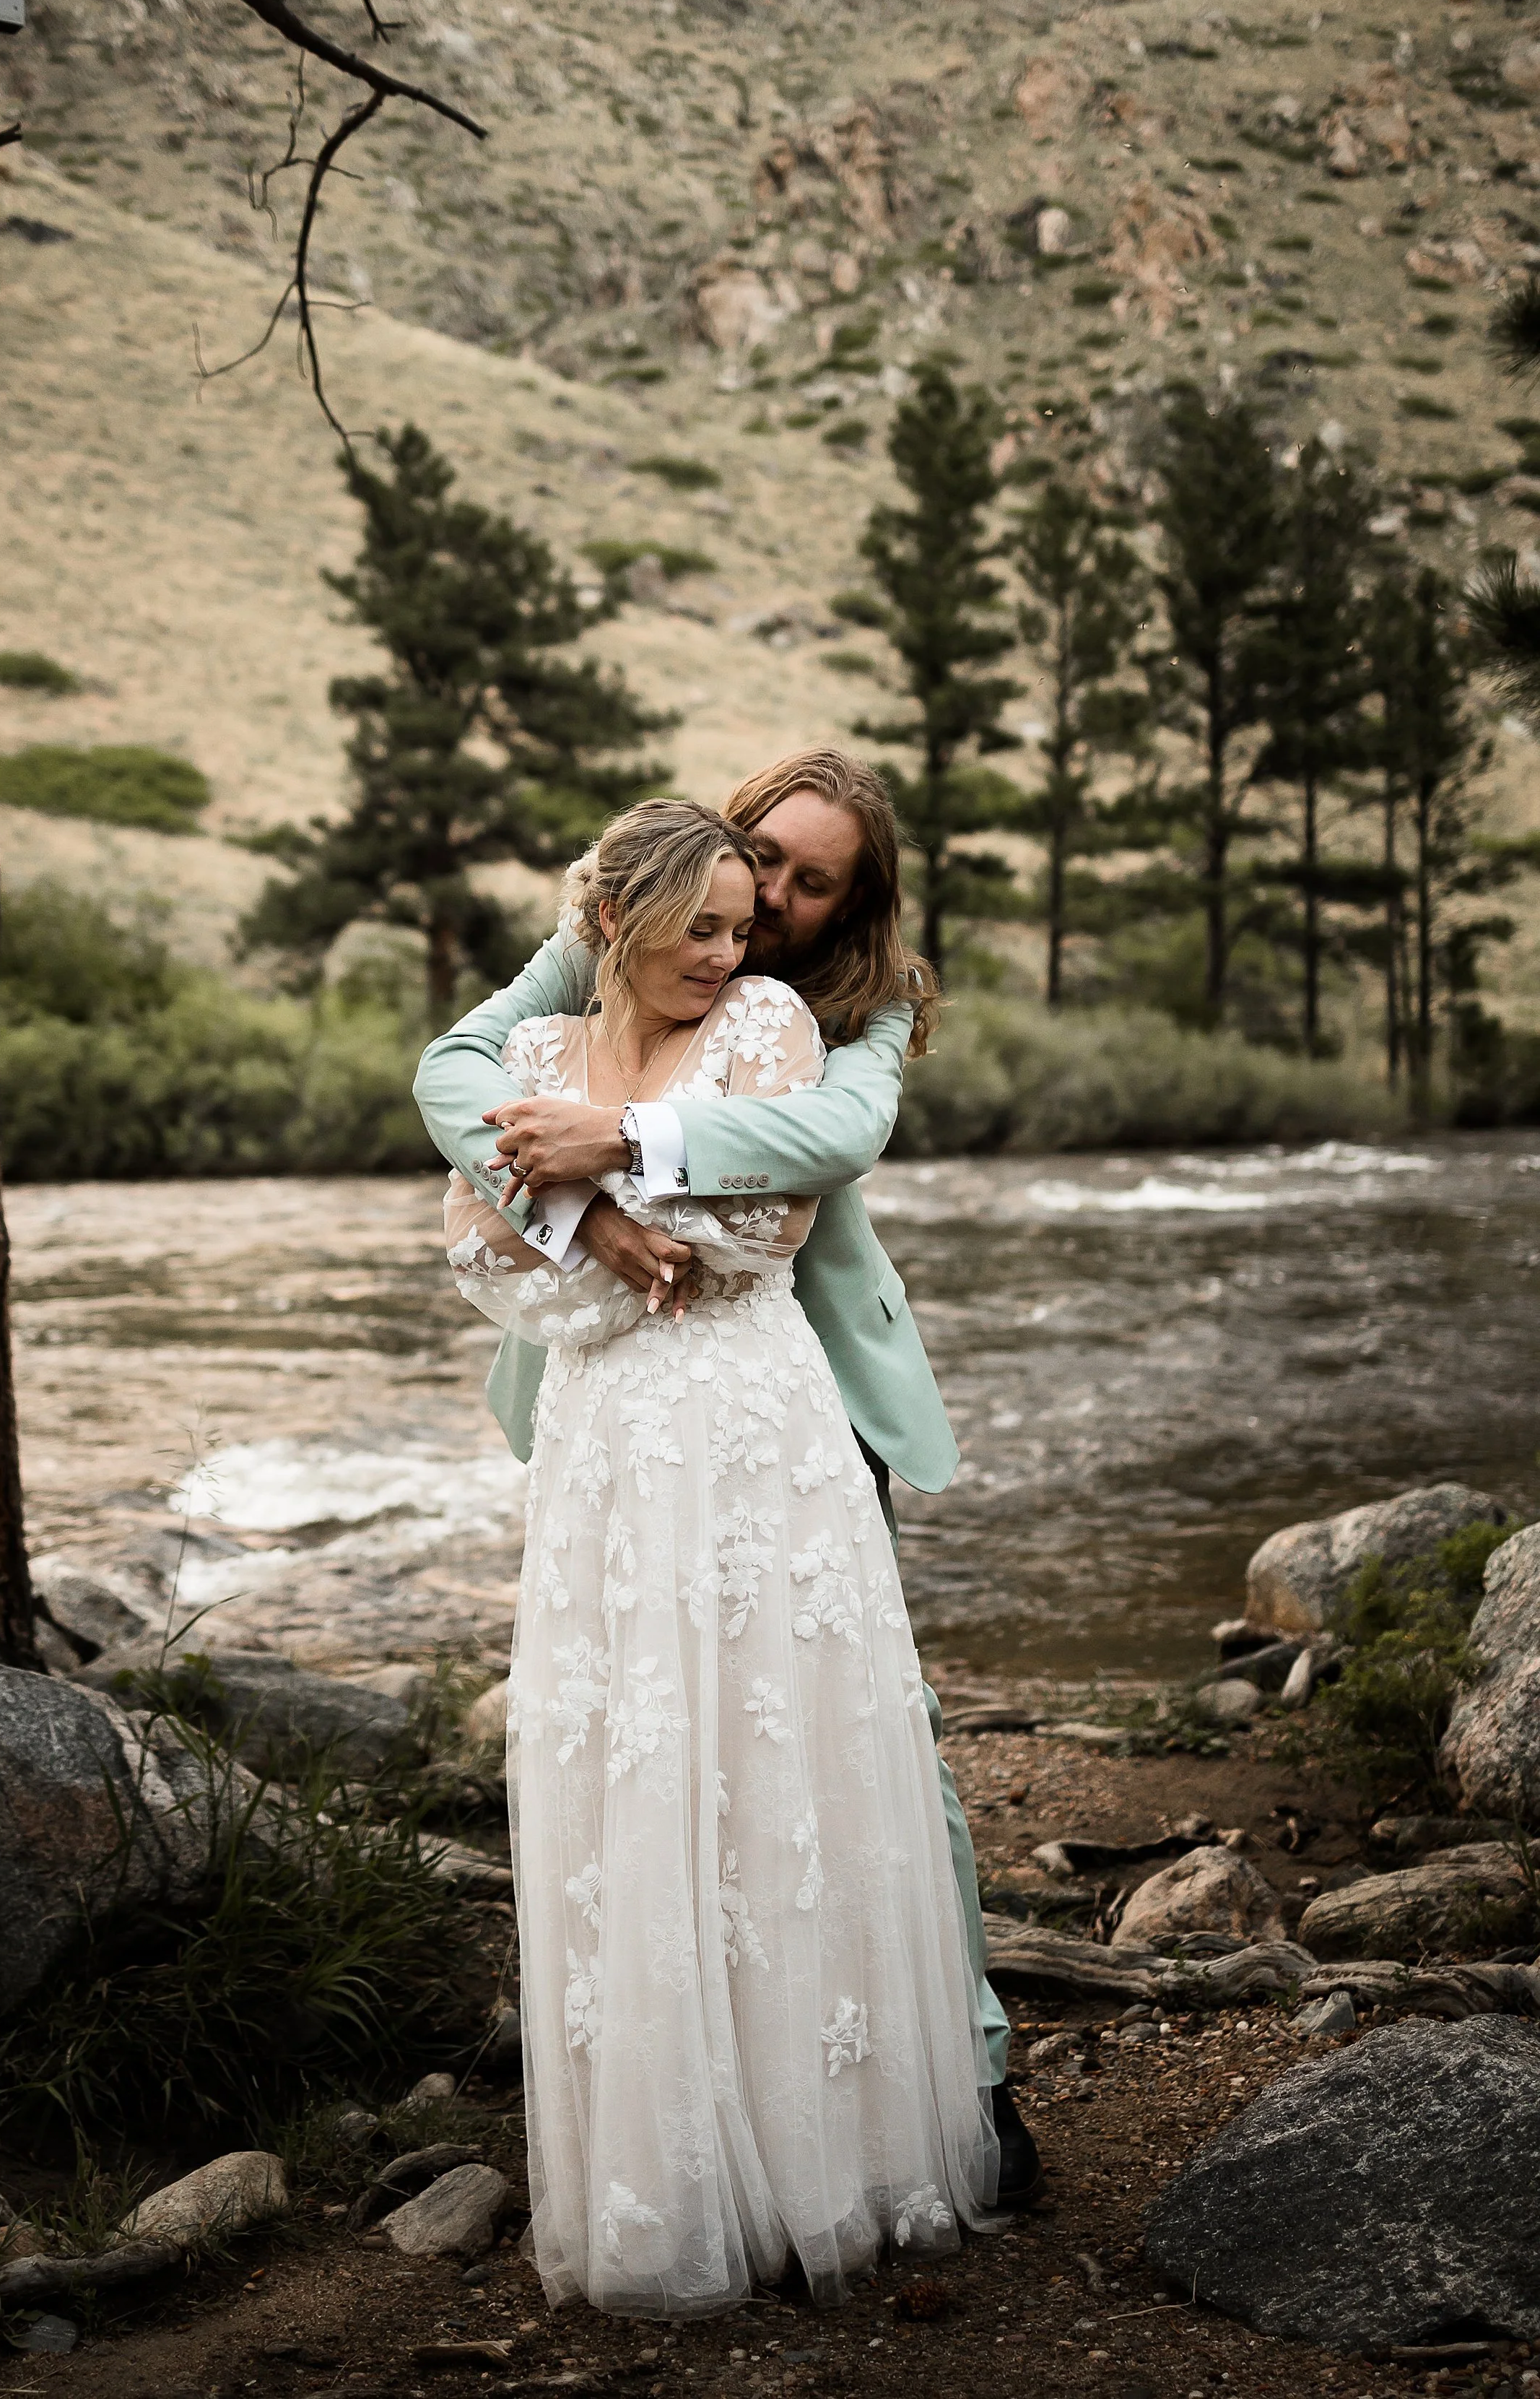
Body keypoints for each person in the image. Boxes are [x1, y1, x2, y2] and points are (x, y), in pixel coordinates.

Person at [415, 747, 1040, 2211]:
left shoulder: (858, 998)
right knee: (647, 1724)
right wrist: (567, 1203)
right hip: (616, 1375)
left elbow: (834, 1132)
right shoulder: (618, 928)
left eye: (805, 881)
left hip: (792, 1377)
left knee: (863, 1728)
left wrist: (623, 1134)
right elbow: (454, 1074)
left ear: (848, 902)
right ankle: (674, 2065)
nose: (764, 895)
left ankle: (965, 2070)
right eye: (760, 851)